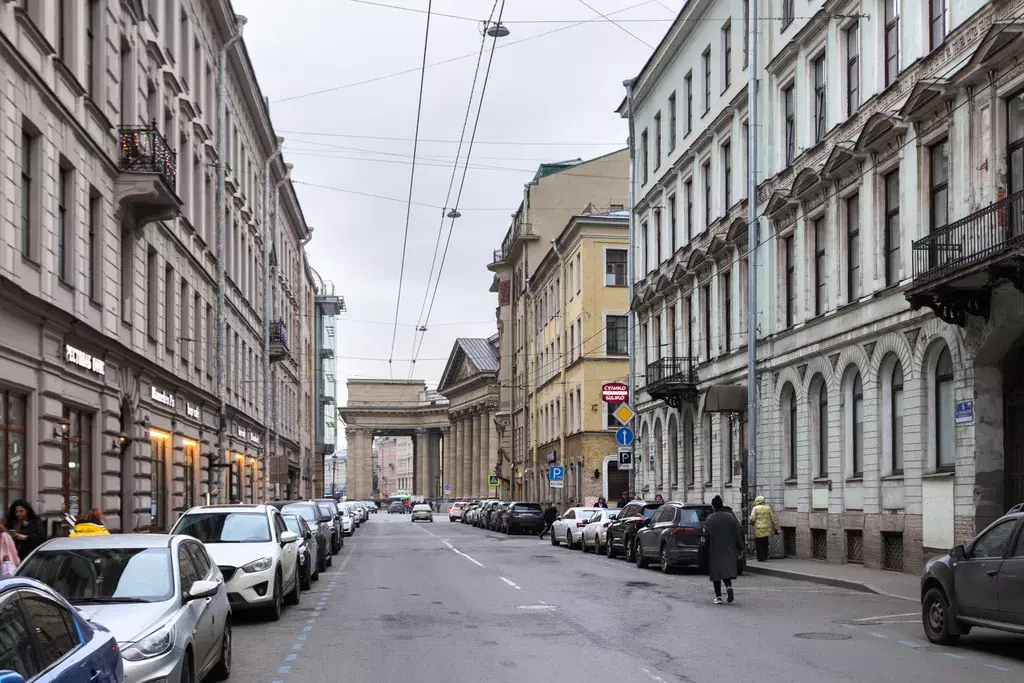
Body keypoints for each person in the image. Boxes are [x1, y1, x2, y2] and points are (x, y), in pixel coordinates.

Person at [704, 495, 743, 605]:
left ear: (713, 507)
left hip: (714, 549)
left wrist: (704, 550)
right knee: (725, 570)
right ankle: (729, 586)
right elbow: (737, 535)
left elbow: (706, 536)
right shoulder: (730, 517)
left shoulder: (710, 519)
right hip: (729, 548)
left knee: (716, 572)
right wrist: (740, 548)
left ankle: (718, 596)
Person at [749, 495, 778, 562]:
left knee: (759, 543)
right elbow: (773, 519)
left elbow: (752, 518)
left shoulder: (755, 508)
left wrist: (752, 523)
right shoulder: (768, 508)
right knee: (765, 542)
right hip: (767, 529)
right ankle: (765, 555)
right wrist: (775, 528)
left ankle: (760, 557)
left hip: (758, 529)